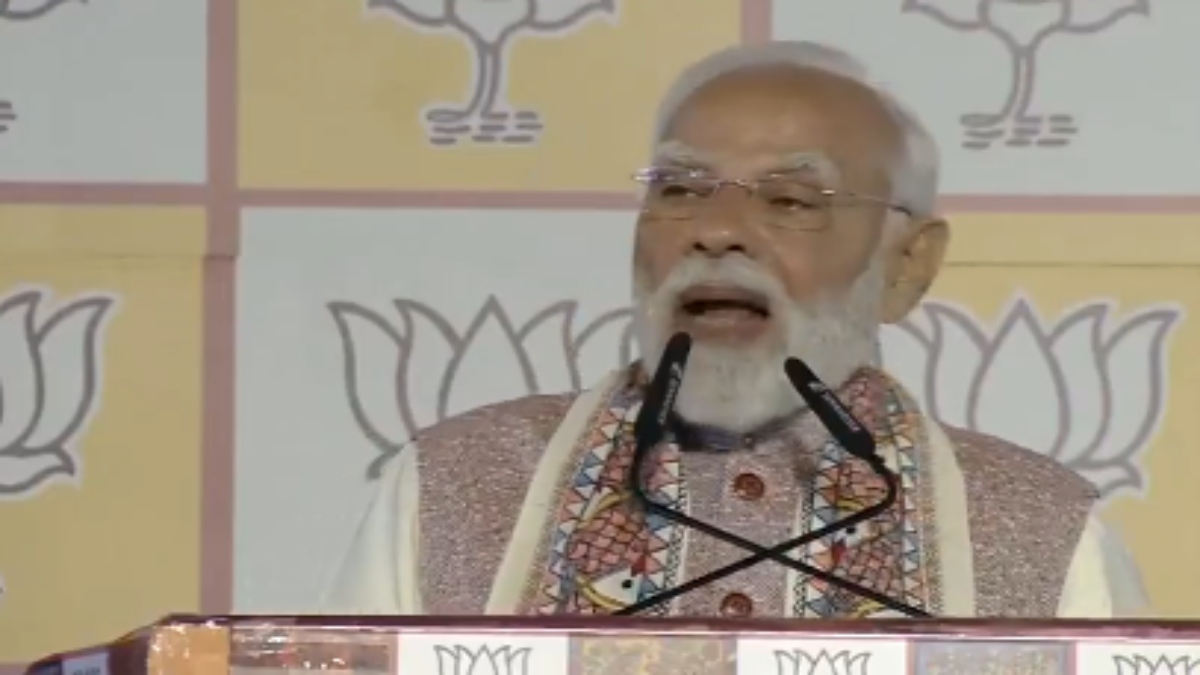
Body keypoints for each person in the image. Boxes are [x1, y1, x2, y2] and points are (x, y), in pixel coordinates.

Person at [322, 41, 1149, 618]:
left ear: (906, 266)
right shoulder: (457, 483)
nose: (715, 231)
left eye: (790, 200)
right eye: (680, 189)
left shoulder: (1041, 525)